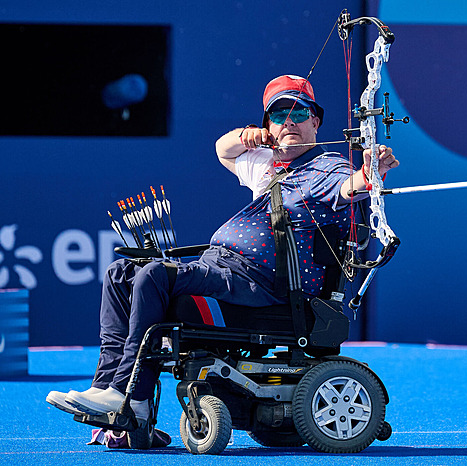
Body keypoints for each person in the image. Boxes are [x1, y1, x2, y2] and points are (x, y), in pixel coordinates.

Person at [46, 74, 399, 421]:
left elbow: (350, 186)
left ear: (316, 121)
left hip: (259, 284)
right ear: (269, 126)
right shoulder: (267, 167)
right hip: (221, 267)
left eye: (299, 112)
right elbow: (222, 148)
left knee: (155, 275)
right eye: (278, 115)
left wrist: (371, 170)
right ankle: (107, 386)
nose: (288, 121)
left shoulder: (326, 168)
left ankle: (128, 393)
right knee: (119, 273)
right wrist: (249, 137)